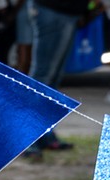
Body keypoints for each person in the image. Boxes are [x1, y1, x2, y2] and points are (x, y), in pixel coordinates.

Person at [25, 0, 104, 155]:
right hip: (52, 9)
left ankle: (45, 135)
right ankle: (29, 139)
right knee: (43, 76)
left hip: (67, 12)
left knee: (52, 77)